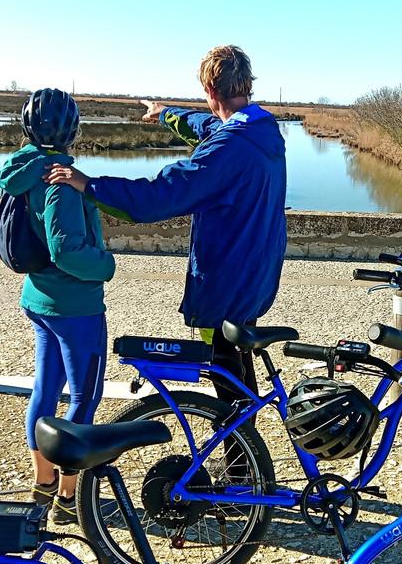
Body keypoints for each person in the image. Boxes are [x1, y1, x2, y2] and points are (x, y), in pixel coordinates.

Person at [44, 45, 286, 440]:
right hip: (255, 274)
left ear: (210, 88)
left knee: (229, 376)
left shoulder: (228, 148)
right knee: (239, 368)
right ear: (245, 85)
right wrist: (166, 113)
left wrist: (88, 184)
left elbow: (161, 196)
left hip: (227, 280)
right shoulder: (261, 130)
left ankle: (241, 476)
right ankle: (244, 462)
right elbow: (208, 127)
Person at [0, 88, 116, 525]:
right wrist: (106, 264)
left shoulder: (23, 169)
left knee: (45, 391)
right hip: (75, 307)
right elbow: (66, 249)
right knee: (84, 395)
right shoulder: (61, 180)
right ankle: (69, 498)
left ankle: (43, 483)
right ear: (74, 131)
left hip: (39, 298)